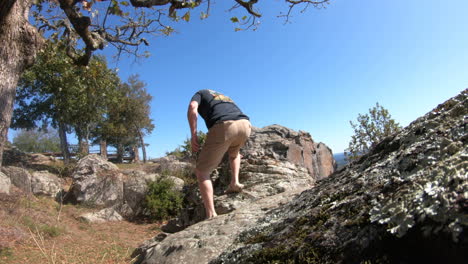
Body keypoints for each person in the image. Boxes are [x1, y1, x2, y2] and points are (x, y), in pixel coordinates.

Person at [187, 89, 251, 219]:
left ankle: (211, 214)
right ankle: (235, 182)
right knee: (234, 153)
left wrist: (193, 134)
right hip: (245, 125)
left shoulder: (200, 93)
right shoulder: (224, 96)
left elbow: (192, 107)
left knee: (202, 171)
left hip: (224, 125)